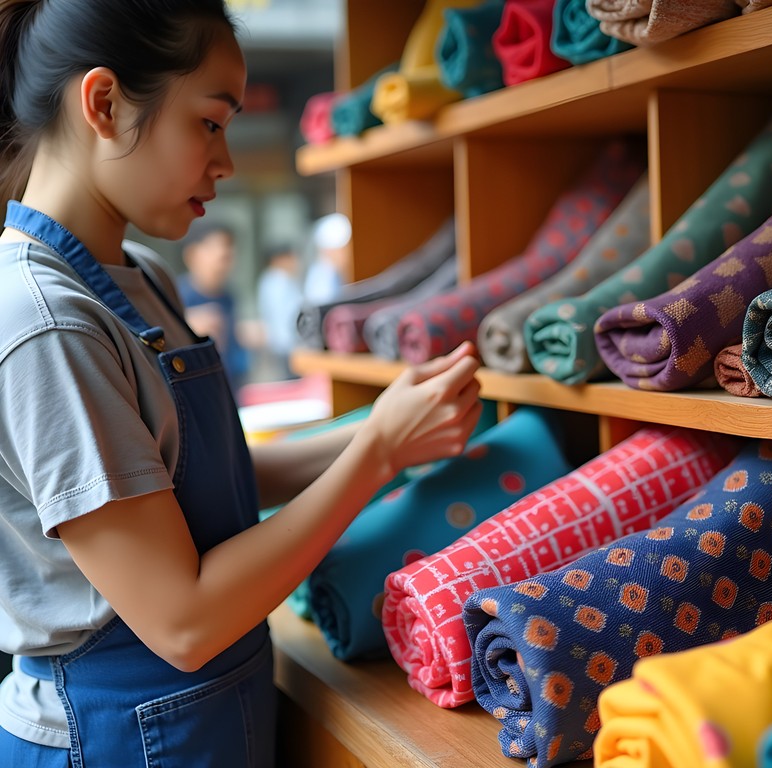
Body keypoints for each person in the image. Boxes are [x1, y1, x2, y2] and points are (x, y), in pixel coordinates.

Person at [0, 2, 482, 767]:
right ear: (102, 104)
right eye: (211, 123)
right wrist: (380, 452)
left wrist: (385, 426)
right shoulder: (46, 321)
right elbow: (182, 621)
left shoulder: (140, 277)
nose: (225, 162)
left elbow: (207, 488)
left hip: (204, 714)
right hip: (117, 734)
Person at [177, 217, 250, 391]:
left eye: (228, 248)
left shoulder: (229, 296)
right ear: (191, 255)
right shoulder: (176, 297)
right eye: (214, 248)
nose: (224, 254)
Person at [256, 240, 304, 379]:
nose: (294, 261)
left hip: (282, 345)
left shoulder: (270, 280)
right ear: (278, 259)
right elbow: (289, 315)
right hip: (288, 345)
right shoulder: (278, 281)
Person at [302, 211, 352, 306]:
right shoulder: (322, 280)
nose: (347, 254)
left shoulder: (331, 273)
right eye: (343, 249)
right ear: (328, 251)